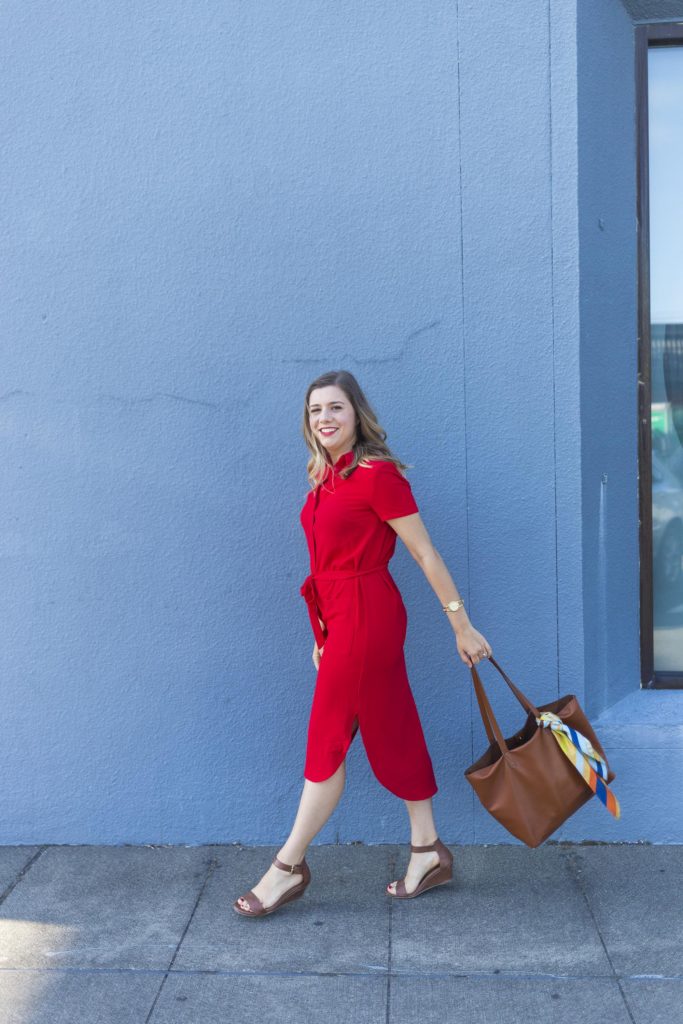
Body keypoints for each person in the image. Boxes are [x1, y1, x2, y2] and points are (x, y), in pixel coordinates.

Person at [234, 370, 492, 917]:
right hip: (343, 621)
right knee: (391, 723)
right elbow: (325, 567)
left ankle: (288, 866)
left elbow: (424, 553)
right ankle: (427, 849)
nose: (324, 418)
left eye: (335, 408)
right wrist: (321, 632)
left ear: (357, 415)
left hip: (368, 616)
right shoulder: (325, 476)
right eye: (314, 411)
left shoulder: (378, 476)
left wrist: (460, 625)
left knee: (327, 741)